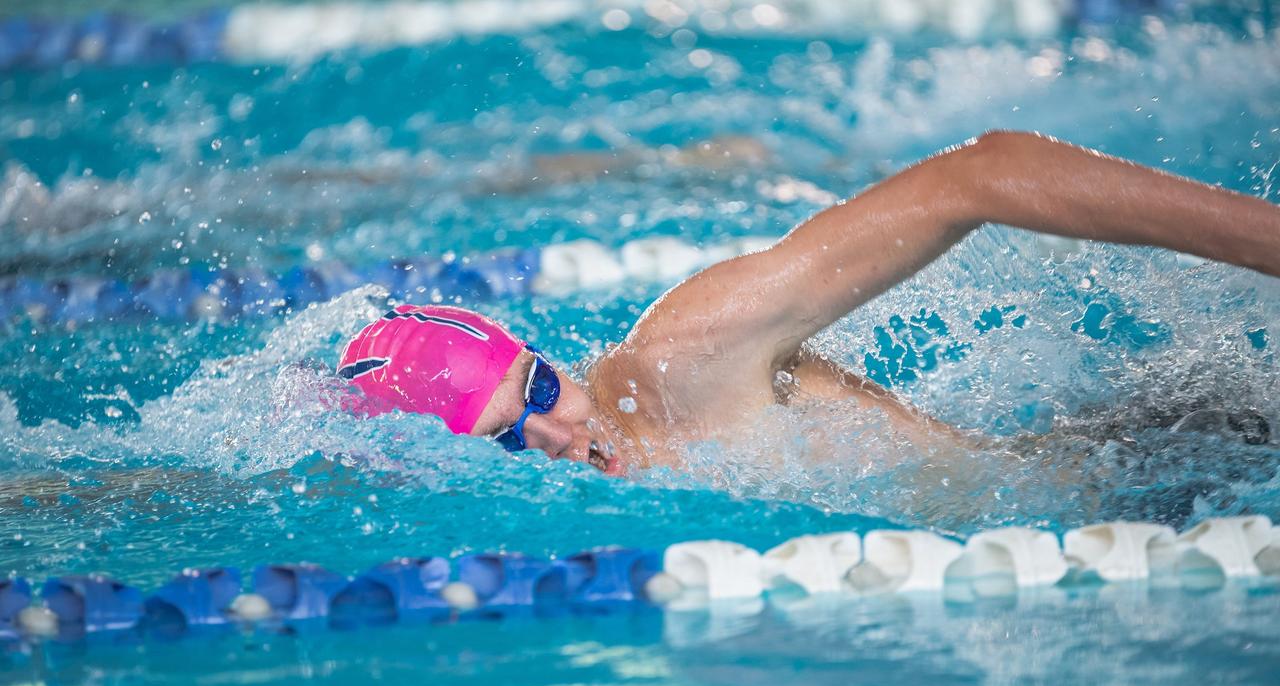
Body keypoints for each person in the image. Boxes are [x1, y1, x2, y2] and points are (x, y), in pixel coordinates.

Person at [337, 131, 1280, 476]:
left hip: (1163, 456)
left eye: (540, 392)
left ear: (542, 352)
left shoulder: (684, 365)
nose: (560, 439)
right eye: (507, 440)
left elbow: (986, 174)